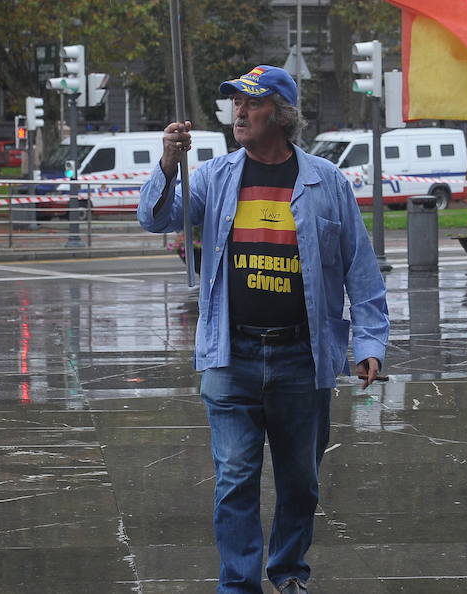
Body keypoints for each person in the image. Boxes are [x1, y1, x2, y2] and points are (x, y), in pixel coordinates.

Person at [136, 64, 388, 594]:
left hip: (304, 358)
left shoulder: (328, 182)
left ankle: (289, 571)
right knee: (233, 481)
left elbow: (361, 273)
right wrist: (168, 162)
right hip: (232, 355)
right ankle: (239, 584)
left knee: (301, 484)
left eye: (251, 103)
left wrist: (368, 344)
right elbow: (156, 218)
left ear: (282, 113)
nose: (239, 113)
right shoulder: (214, 177)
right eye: (235, 103)